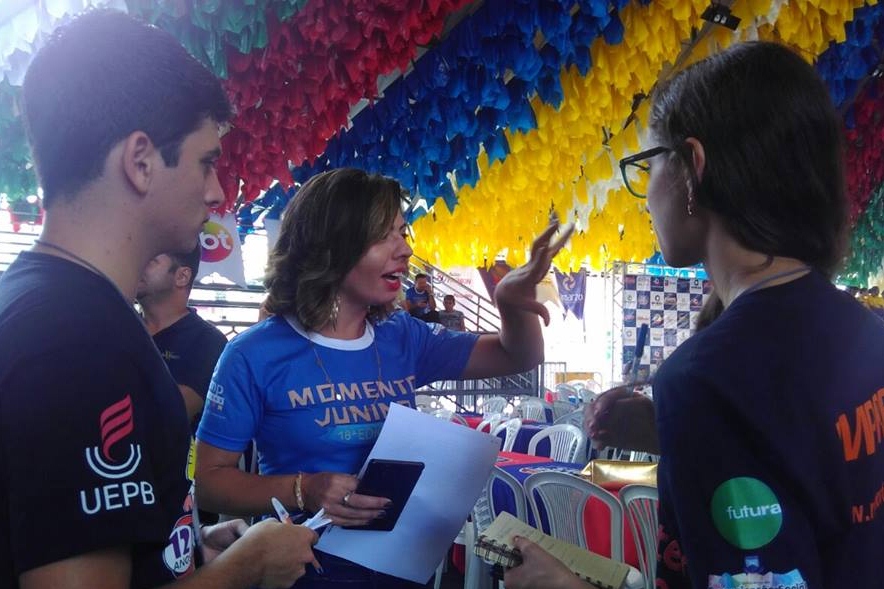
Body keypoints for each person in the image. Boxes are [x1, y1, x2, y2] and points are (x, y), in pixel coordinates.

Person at [506, 41, 884, 589]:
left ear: (692, 168)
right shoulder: (861, 328)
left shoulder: (708, 377)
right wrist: (669, 432)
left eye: (647, 164)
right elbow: (811, 474)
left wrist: (564, 585)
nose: (645, 195)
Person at [0, 10, 317, 589]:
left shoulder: (45, 306)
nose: (217, 192)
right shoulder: (80, 343)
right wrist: (247, 566)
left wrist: (191, 548)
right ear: (141, 161)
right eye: (206, 162)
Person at [194, 167, 574, 588]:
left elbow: (516, 355)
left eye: (403, 232)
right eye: (384, 236)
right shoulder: (253, 354)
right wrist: (304, 489)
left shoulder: (404, 336)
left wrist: (510, 304)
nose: (405, 251)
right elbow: (210, 484)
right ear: (332, 246)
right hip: (307, 576)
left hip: (404, 572)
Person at [137, 247, 228, 429]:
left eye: (150, 261)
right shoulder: (121, 326)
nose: (137, 266)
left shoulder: (208, 341)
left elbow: (173, 411)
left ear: (182, 277)